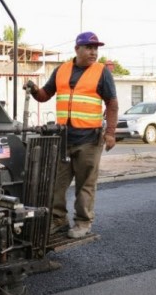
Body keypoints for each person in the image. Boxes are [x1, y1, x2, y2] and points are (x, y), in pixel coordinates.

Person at [26, 31, 118, 239]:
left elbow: (112, 103)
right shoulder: (62, 70)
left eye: (96, 48)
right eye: (89, 48)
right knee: (57, 183)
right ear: (77, 49)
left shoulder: (102, 72)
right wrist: (33, 89)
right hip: (63, 139)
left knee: (85, 184)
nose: (93, 52)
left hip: (89, 140)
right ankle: (58, 220)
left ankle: (83, 223)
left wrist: (110, 133)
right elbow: (44, 95)